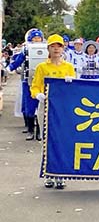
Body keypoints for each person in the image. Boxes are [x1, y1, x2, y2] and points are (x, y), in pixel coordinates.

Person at [30, 34, 76, 189]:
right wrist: (38, 95)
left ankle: (60, 174)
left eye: (59, 46)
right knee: (47, 142)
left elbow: (75, 89)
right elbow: (35, 86)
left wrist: (72, 83)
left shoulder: (68, 67)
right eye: (53, 46)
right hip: (46, 107)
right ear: (48, 48)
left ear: (63, 48)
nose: (56, 49)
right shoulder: (42, 67)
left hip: (63, 108)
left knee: (62, 141)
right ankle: (49, 173)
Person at [7, 29, 44, 140]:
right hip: (28, 81)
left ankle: (39, 131)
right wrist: (9, 68)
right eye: (34, 38)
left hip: (42, 81)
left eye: (38, 38)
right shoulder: (26, 49)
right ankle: (31, 130)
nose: (37, 40)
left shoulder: (46, 48)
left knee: (41, 107)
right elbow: (18, 60)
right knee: (29, 106)